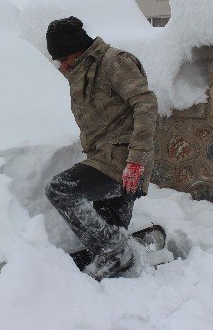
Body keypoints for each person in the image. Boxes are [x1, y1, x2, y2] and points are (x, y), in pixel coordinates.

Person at [45, 16, 158, 281]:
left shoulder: (115, 62)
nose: (62, 67)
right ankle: (120, 251)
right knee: (112, 227)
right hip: (103, 158)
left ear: (77, 50)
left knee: (60, 190)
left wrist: (136, 162)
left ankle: (113, 251)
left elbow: (146, 105)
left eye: (63, 59)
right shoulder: (82, 72)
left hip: (122, 161)